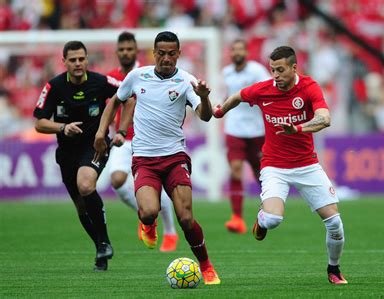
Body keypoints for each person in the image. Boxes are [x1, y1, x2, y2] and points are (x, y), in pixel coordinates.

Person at [213, 46, 348, 285]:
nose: (275, 75)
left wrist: (297, 128)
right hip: (274, 166)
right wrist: (221, 110)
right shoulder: (263, 90)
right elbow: (237, 96)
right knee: (274, 220)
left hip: (308, 165)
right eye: (272, 70)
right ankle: (262, 219)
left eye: (280, 70)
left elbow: (325, 118)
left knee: (335, 223)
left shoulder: (309, 87)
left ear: (294, 68)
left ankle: (333, 269)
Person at [94, 31, 220, 284]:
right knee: (149, 211)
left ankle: (206, 266)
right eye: (161, 53)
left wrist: (205, 97)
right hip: (144, 159)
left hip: (175, 157)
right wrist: (100, 132)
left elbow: (205, 116)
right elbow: (115, 102)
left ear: (178, 54)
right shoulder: (137, 76)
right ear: (154, 53)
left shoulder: (187, 81)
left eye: (171, 53)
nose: (166, 58)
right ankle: (148, 224)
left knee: (185, 217)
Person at [33, 41, 119, 271]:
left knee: (86, 183)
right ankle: (102, 247)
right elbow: (39, 123)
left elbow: (127, 95)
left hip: (95, 146)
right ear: (64, 62)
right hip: (67, 153)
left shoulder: (101, 82)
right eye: (73, 60)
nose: (78, 63)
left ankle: (103, 243)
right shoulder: (54, 87)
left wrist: (120, 129)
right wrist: (62, 128)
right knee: (81, 207)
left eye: (81, 59)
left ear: (87, 59)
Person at [106, 31, 179, 252]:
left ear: (136, 51)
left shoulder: (147, 73)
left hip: (149, 141)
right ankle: (145, 215)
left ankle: (169, 232)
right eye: (122, 49)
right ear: (117, 52)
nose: (126, 52)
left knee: (159, 191)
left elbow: (133, 103)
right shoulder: (110, 77)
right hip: (123, 139)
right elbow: (109, 106)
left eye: (129, 49)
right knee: (117, 180)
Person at [221, 39, 270, 234]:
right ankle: (237, 218)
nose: (237, 53)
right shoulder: (225, 73)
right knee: (235, 170)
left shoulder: (257, 71)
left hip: (257, 130)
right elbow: (222, 96)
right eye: (234, 49)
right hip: (234, 129)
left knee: (262, 175)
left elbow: (269, 89)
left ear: (247, 52)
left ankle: (266, 211)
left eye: (241, 49)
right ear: (230, 53)